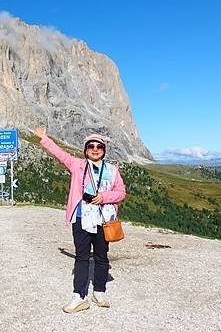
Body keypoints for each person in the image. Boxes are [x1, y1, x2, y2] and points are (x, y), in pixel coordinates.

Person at [34, 127, 126, 313]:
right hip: (81, 217)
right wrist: (44, 139)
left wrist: (104, 197)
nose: (94, 148)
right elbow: (60, 155)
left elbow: (121, 193)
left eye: (98, 146)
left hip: (103, 220)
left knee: (101, 257)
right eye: (90, 146)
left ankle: (99, 291)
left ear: (103, 149)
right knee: (81, 257)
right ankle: (79, 296)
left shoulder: (112, 170)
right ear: (85, 149)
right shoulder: (77, 165)